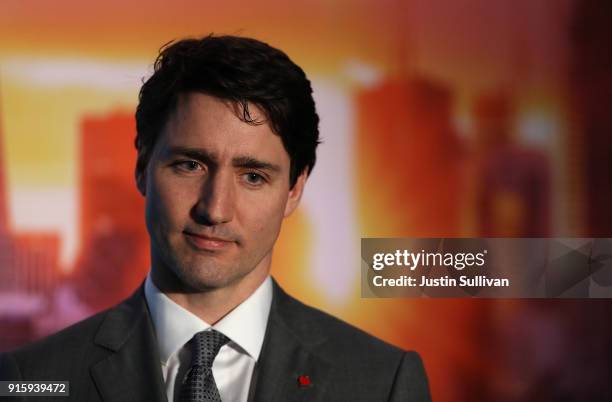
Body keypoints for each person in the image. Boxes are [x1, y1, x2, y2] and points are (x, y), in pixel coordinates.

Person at [0, 35, 431, 402]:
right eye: (190, 165)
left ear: (294, 189)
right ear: (142, 167)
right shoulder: (32, 378)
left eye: (253, 176)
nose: (215, 209)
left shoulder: (382, 383)